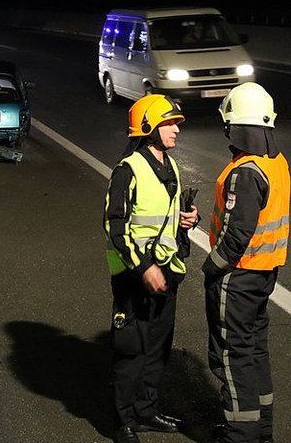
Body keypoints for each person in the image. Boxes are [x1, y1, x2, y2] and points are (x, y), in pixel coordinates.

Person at [103, 94, 199, 443]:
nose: (176, 130)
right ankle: (123, 421)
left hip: (166, 272)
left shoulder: (171, 166)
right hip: (134, 276)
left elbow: (167, 216)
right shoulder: (127, 169)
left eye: (175, 123)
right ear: (148, 128)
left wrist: (188, 219)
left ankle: (146, 411)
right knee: (132, 349)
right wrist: (143, 268)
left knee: (158, 347)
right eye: (168, 123)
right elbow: (115, 226)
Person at [202, 82, 290, 443]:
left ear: (234, 126)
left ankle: (240, 434)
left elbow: (237, 234)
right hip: (265, 274)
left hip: (237, 278)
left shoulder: (246, 171)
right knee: (254, 352)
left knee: (231, 356)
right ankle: (261, 430)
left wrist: (213, 266)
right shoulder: (276, 163)